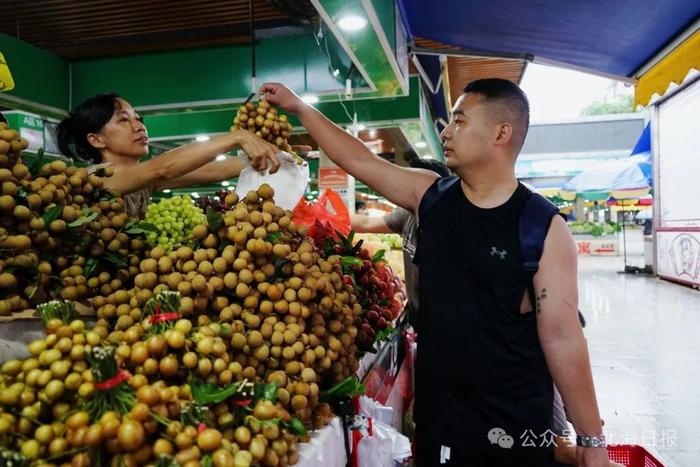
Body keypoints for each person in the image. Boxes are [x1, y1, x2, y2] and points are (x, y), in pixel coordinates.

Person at [261, 79, 610, 466]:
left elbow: (563, 338)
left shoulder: (542, 227)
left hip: (516, 435)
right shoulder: (431, 198)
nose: (446, 131)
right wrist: (300, 108)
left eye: (460, 121)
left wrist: (592, 441)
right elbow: (361, 161)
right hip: (440, 429)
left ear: (501, 133)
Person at [57, 93, 280, 218]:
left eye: (138, 118)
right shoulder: (98, 178)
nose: (139, 127)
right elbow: (161, 168)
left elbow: (211, 170)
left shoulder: (142, 180)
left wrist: (276, 155)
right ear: (96, 139)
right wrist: (236, 137)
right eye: (123, 120)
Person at [351, 158, 451, 328]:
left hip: (447, 321)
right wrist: (319, 215)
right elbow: (366, 224)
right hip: (419, 317)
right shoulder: (407, 214)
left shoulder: (449, 223)